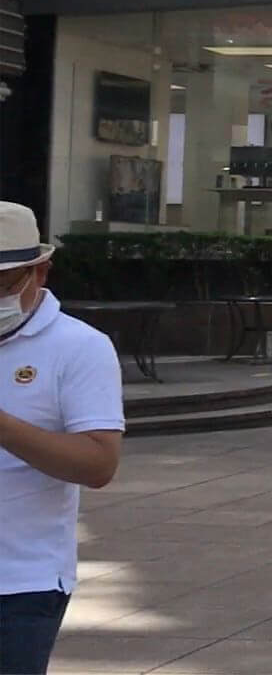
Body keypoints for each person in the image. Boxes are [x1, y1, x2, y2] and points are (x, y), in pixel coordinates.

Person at [0, 203, 123, 675]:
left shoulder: (78, 347)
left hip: (18, 586)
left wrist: (4, 426)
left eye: (3, 282)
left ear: (40, 271)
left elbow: (98, 464)